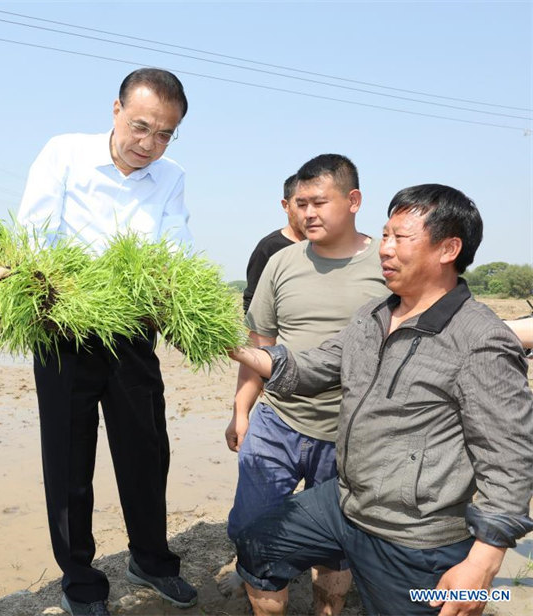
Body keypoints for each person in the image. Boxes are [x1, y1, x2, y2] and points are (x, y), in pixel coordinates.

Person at [229, 184, 533, 616]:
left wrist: (484, 563)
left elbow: (511, 462)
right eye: (384, 235)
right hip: (345, 502)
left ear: (448, 249)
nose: (384, 250)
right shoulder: (373, 316)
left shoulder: (480, 342)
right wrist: (229, 345)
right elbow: (311, 368)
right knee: (257, 541)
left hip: (416, 537)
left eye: (399, 238)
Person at [16, 68, 197, 616]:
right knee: (69, 461)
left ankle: (151, 558)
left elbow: (175, 251)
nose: (150, 144)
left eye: (165, 134)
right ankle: (81, 579)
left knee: (147, 451)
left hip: (133, 335)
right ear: (115, 109)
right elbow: (35, 232)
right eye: (141, 126)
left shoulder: (171, 177)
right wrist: (75, 294)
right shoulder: (64, 154)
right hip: (64, 330)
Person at [224, 154, 387, 614]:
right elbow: (261, 347)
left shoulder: (389, 265)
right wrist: (241, 412)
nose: (308, 213)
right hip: (278, 423)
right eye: (301, 203)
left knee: (336, 545)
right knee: (254, 534)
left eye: (320, 202)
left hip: (350, 435)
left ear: (354, 200)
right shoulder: (280, 263)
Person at [241, 174, 304, 314]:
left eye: (317, 203)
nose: (309, 212)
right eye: (302, 204)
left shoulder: (328, 245)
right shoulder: (269, 247)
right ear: (286, 205)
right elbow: (252, 301)